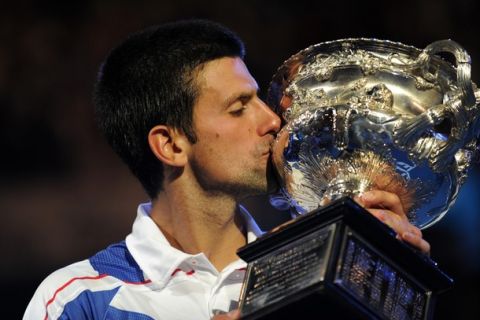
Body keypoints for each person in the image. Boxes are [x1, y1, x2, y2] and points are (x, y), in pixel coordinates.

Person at [23, 19, 430, 320]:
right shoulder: (75, 300)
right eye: (239, 108)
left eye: (258, 100)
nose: (272, 120)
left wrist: (393, 288)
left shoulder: (321, 266)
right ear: (170, 145)